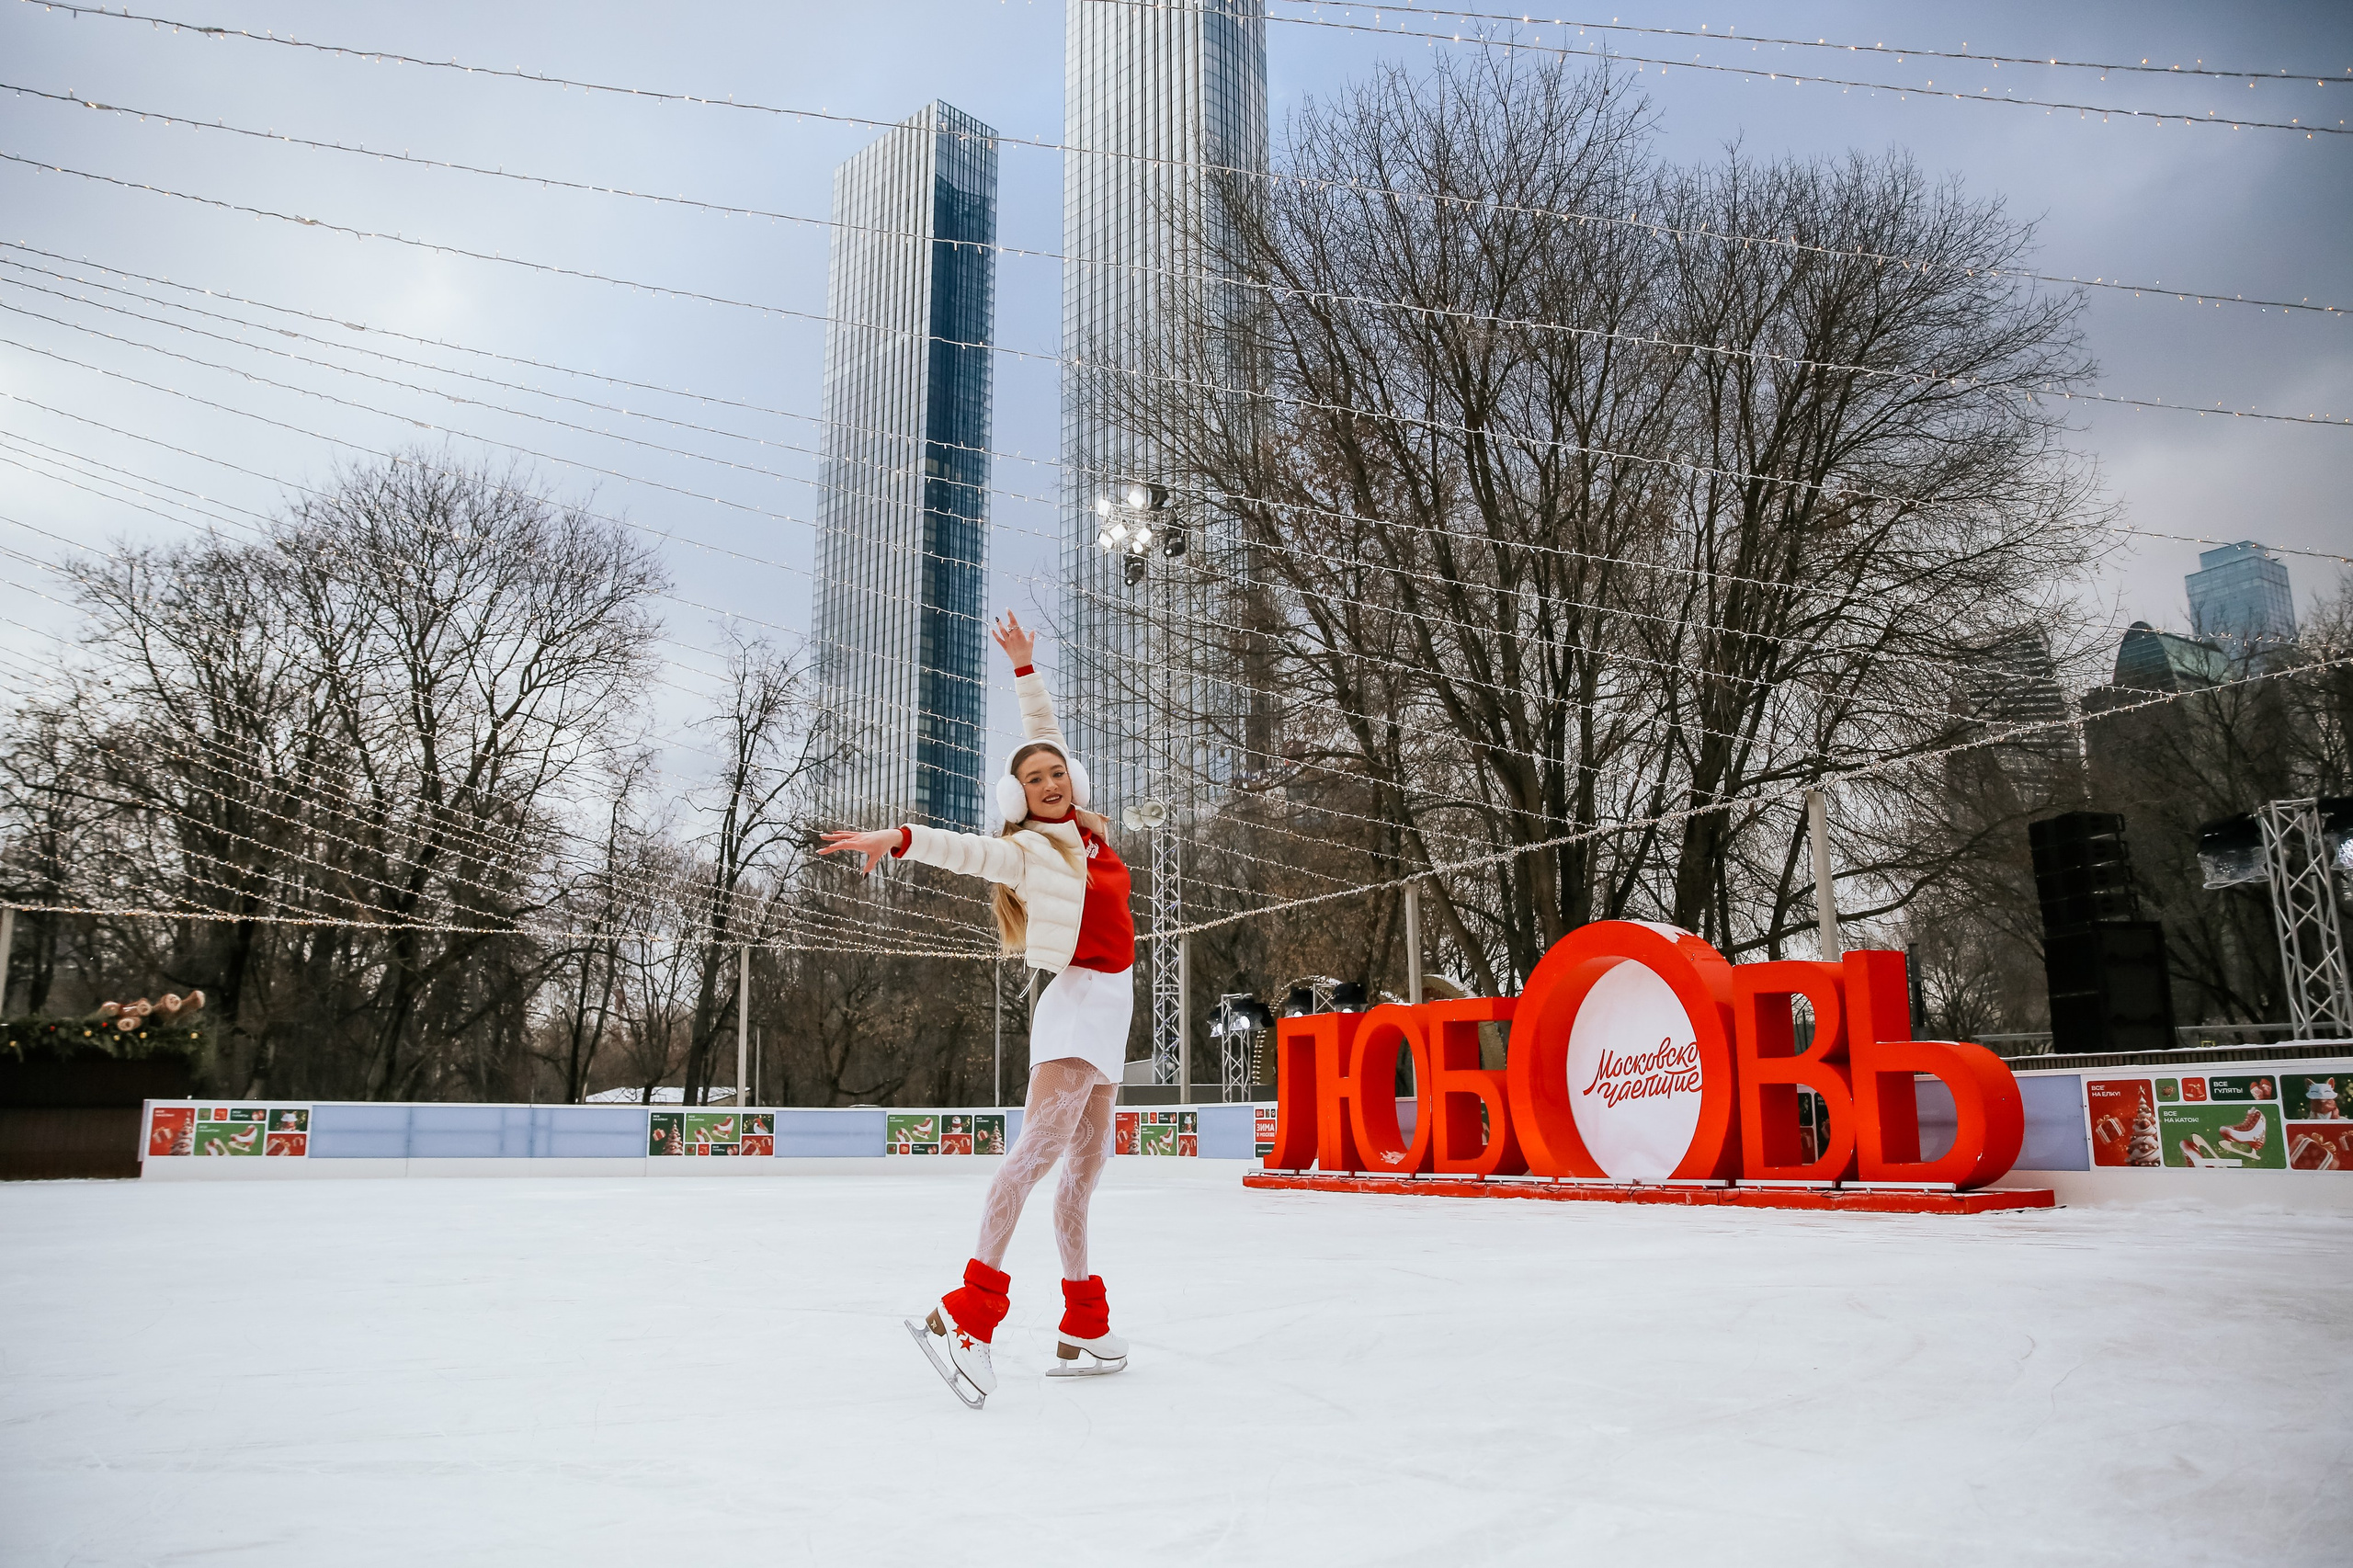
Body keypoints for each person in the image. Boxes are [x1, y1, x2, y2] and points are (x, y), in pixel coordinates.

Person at [820, 613, 1135, 1409]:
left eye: (1057, 774)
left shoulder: (1089, 838)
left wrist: (1027, 669)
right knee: (1034, 1159)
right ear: (1017, 798)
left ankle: (1083, 1324)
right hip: (1075, 1012)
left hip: (1112, 1014)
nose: (1050, 782)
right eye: (1034, 781)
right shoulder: (1029, 849)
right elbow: (965, 851)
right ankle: (970, 1315)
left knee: (1084, 1178)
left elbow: (1046, 734)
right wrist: (894, 838)